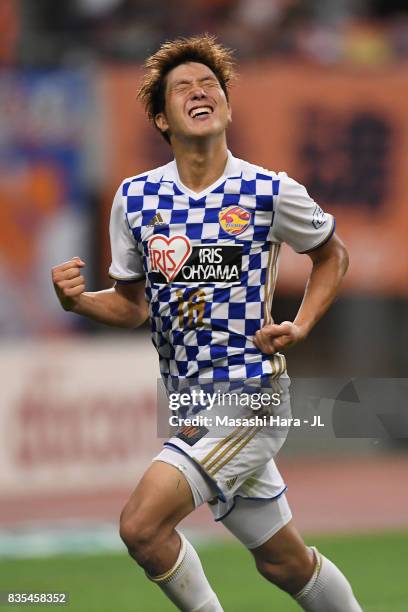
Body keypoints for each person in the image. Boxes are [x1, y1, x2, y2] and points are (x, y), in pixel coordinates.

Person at [52, 34, 362, 612]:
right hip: (189, 403)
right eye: (183, 88)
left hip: (251, 397)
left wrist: (301, 324)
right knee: (284, 561)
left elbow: (332, 255)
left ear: (226, 105)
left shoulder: (269, 190)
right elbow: (133, 305)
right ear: (160, 117)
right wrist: (78, 303)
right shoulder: (136, 199)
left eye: (210, 85)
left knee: (142, 526)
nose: (200, 93)